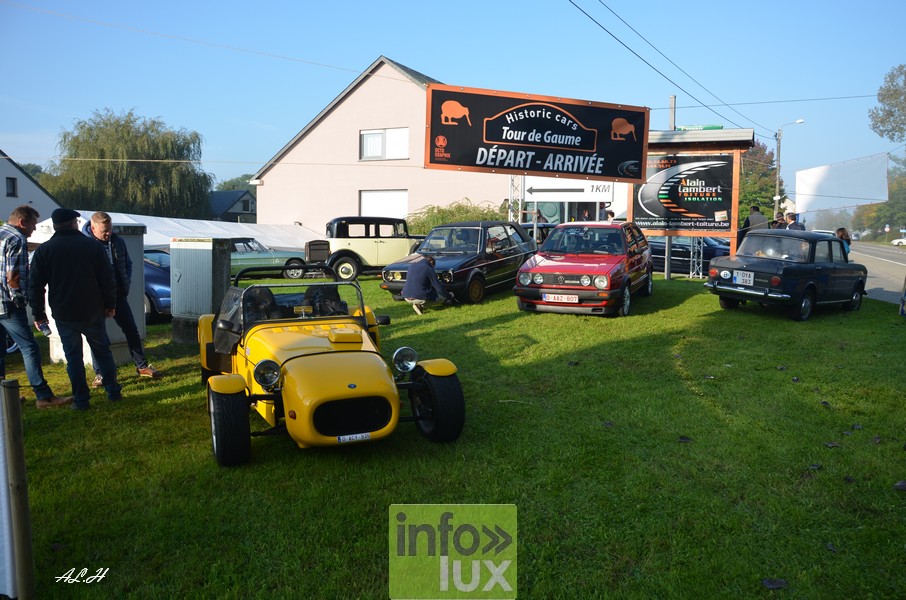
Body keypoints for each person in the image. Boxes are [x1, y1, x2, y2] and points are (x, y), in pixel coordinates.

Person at [29, 208, 122, 410]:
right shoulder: (92, 246)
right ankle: (113, 392)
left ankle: (81, 400)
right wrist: (110, 304)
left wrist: (39, 314)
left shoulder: (44, 251)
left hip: (64, 312)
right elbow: (107, 279)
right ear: (74, 223)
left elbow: (35, 286)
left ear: (55, 226)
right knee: (103, 352)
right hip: (92, 309)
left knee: (73, 358)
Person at [0, 206, 73, 409]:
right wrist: (20, 301)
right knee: (29, 348)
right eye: (32, 224)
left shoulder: (1, 234)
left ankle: (3, 396)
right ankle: (43, 396)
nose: (34, 229)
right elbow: (13, 275)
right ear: (22, 222)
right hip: (7, 304)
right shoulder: (17, 238)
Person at [82, 211, 162, 387]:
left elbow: (127, 264)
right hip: (96, 298)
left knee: (131, 330)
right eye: (105, 231)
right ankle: (100, 374)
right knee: (98, 336)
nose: (108, 233)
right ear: (93, 228)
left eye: (110, 229)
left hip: (118, 295)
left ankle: (141, 366)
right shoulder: (85, 244)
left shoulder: (117, 241)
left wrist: (126, 282)